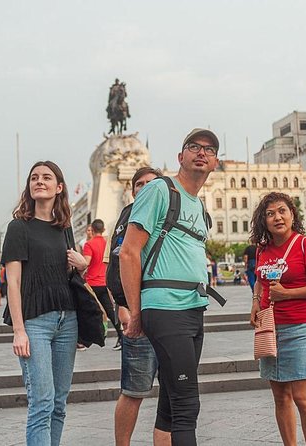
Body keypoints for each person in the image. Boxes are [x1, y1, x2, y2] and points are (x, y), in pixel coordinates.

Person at [120, 128, 220, 445]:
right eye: (194, 147)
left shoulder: (199, 207)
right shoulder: (160, 190)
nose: (202, 152)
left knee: (171, 404)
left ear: (216, 162)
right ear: (181, 157)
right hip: (164, 307)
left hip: (193, 307)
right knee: (187, 403)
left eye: (210, 149)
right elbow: (128, 252)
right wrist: (136, 311)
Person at [2, 160, 87, 445]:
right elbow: (12, 282)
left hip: (68, 320)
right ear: (29, 187)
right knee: (42, 402)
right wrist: (18, 330)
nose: (39, 181)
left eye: (47, 177)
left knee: (59, 403)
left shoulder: (64, 228)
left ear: (58, 187)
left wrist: (83, 263)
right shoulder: (18, 228)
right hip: (34, 323)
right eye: (34, 177)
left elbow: (69, 273)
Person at [249, 192, 306, 446]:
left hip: (299, 326)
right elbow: (261, 283)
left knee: (303, 398)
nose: (277, 217)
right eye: (270, 213)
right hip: (269, 327)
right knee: (280, 396)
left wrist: (288, 294)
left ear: (292, 214)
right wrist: (255, 301)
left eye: (282, 211)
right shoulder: (263, 249)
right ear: (264, 220)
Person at [109, 166, 170, 446]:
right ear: (132, 191)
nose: (145, 187)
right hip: (140, 315)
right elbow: (116, 266)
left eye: (151, 183)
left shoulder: (172, 212)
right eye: (139, 184)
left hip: (171, 312)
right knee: (133, 390)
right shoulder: (128, 217)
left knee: (172, 391)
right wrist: (124, 306)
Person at [83, 218, 123, 351]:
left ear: (92, 230)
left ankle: (83, 340)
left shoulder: (89, 244)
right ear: (104, 230)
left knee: (86, 311)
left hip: (91, 283)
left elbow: (86, 262)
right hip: (104, 282)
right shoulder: (106, 243)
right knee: (111, 313)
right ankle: (121, 336)